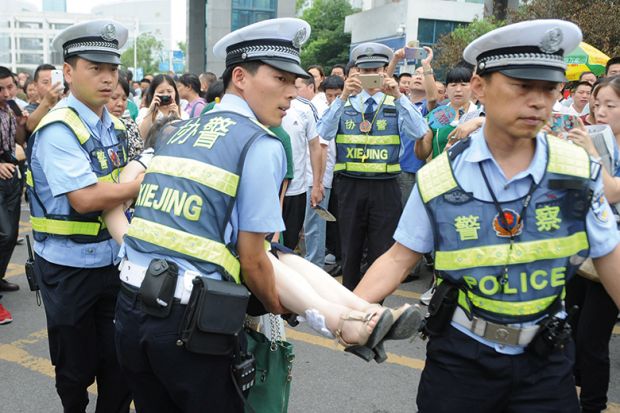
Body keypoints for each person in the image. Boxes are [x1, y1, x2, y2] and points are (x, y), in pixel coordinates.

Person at [112, 18, 419, 413]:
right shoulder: (259, 142)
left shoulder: (180, 132)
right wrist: (278, 307)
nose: (292, 92)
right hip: (190, 326)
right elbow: (254, 258)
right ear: (240, 77)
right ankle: (349, 321)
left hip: (132, 312)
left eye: (295, 81)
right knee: (277, 257)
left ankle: (357, 316)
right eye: (280, 79)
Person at [353, 20, 620, 412]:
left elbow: (610, 257)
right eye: (522, 86)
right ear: (480, 86)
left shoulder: (577, 173)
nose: (538, 102)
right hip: (461, 362)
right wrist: (349, 315)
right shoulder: (441, 177)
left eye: (548, 89)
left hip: (547, 361)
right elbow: (398, 257)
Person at [26, 20, 137, 412]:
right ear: (69, 72)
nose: (108, 79)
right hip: (68, 268)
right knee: (74, 369)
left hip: (115, 262)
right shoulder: (58, 128)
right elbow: (86, 199)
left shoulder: (117, 126)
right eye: (96, 68)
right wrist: (140, 183)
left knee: (120, 364)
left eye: (113, 69)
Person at [317, 42, 428, 290]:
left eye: (375, 70)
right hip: (349, 185)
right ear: (355, 72)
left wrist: (398, 96)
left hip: (385, 188)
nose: (370, 77)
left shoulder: (395, 102)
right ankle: (350, 301)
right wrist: (343, 96)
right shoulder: (343, 102)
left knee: (382, 251)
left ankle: (374, 305)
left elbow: (421, 131)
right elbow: (321, 132)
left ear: (384, 72)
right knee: (350, 249)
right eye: (364, 71)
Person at [565, 75, 620, 413]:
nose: (599, 111)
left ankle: (593, 405)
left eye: (610, 105)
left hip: (611, 257)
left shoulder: (595, 145)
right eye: (596, 104)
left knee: (592, 340)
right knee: (567, 331)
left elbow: (612, 192)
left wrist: (590, 153)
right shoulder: (594, 139)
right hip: (578, 250)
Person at [415, 66, 483, 160]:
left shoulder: (482, 113)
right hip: (443, 172)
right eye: (453, 85)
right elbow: (421, 155)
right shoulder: (434, 116)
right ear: (446, 89)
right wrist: (419, 138)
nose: (458, 89)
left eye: (463, 84)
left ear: (472, 87)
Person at [0, 66, 26, 294]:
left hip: (12, 176)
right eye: (1, 89)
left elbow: (19, 139)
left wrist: (21, 120)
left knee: (12, 235)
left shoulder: (10, 109)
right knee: (4, 233)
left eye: (10, 87)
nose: (7, 93)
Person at [136, 74, 187, 138]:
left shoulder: (183, 114)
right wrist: (151, 111)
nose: (165, 94)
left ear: (175, 93)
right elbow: (141, 136)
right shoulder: (144, 112)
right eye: (161, 92)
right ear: (153, 94)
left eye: (169, 91)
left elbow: (185, 138)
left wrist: (177, 117)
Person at [106, 76, 143, 158]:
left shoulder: (130, 125)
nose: (120, 104)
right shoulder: (94, 128)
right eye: (114, 98)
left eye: (124, 99)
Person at [25, 64, 64, 133]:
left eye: (53, 81)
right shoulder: (29, 109)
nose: (51, 85)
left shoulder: (66, 105)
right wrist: (47, 100)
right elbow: (30, 127)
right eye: (45, 82)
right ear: (35, 85)